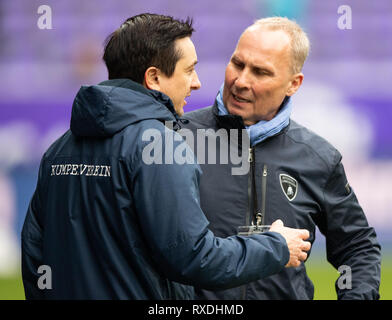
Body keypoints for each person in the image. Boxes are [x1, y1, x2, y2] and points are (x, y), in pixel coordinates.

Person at [21, 13, 311, 300]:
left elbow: (35, 255)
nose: (196, 83)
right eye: (189, 70)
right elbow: (195, 258)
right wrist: (276, 246)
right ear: (154, 77)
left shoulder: (59, 149)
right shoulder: (160, 145)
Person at [183, 17, 381, 300]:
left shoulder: (319, 158)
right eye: (238, 64)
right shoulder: (176, 139)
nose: (241, 81)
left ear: (293, 84)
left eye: (261, 72)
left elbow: (357, 246)